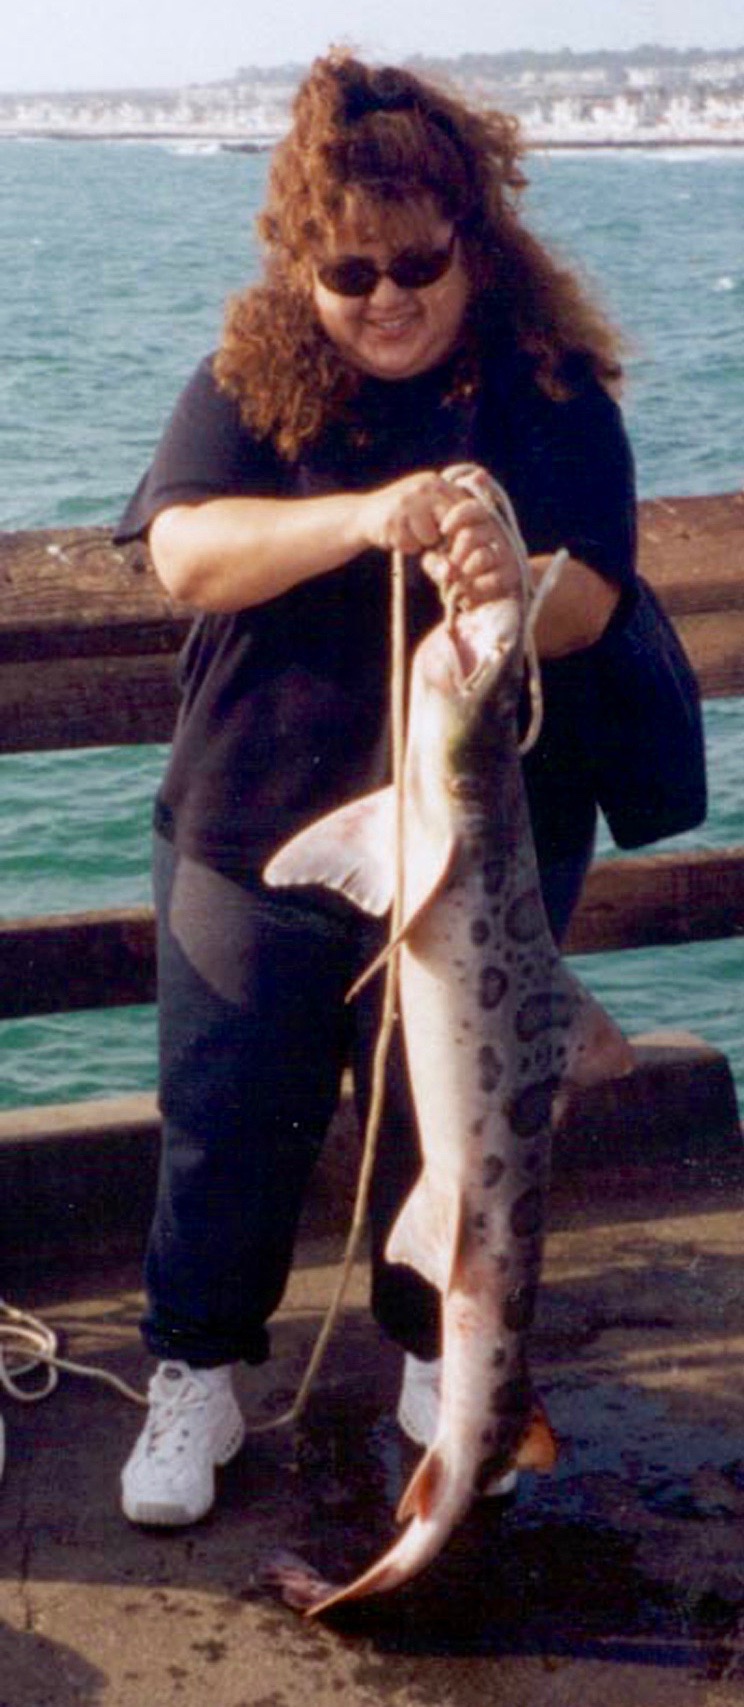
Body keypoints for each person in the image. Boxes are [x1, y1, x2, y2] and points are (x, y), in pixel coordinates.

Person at [115, 49, 703, 1527]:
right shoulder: (250, 379)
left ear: (475, 241)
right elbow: (183, 550)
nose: (383, 296)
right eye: (349, 270)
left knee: (466, 1115)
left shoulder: (552, 392)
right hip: (260, 830)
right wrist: (368, 519)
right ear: (304, 268)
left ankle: (447, 1359)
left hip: (490, 850)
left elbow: (599, 598)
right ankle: (196, 1372)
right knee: (225, 1114)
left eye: (418, 262)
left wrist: (524, 572)